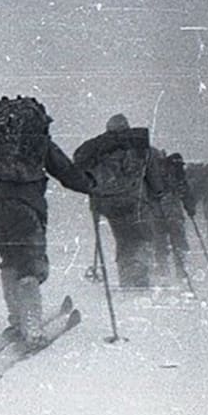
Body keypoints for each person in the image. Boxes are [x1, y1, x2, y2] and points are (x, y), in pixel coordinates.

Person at [0, 96, 94, 349]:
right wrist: (92, 185)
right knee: (29, 265)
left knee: (10, 261)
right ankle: (32, 329)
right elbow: (66, 172)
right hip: (24, 208)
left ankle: (17, 322)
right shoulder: (36, 141)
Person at [73, 114, 164, 289]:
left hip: (108, 204)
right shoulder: (142, 148)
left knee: (123, 240)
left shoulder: (99, 148)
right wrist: (157, 194)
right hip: (134, 201)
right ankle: (138, 279)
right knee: (140, 238)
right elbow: (155, 181)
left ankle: (127, 279)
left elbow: (81, 169)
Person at [150, 150, 196, 282]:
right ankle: (180, 271)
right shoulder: (177, 175)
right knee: (177, 242)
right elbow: (185, 192)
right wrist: (190, 208)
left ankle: (163, 272)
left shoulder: (154, 173)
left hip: (157, 213)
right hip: (171, 213)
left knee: (161, 244)